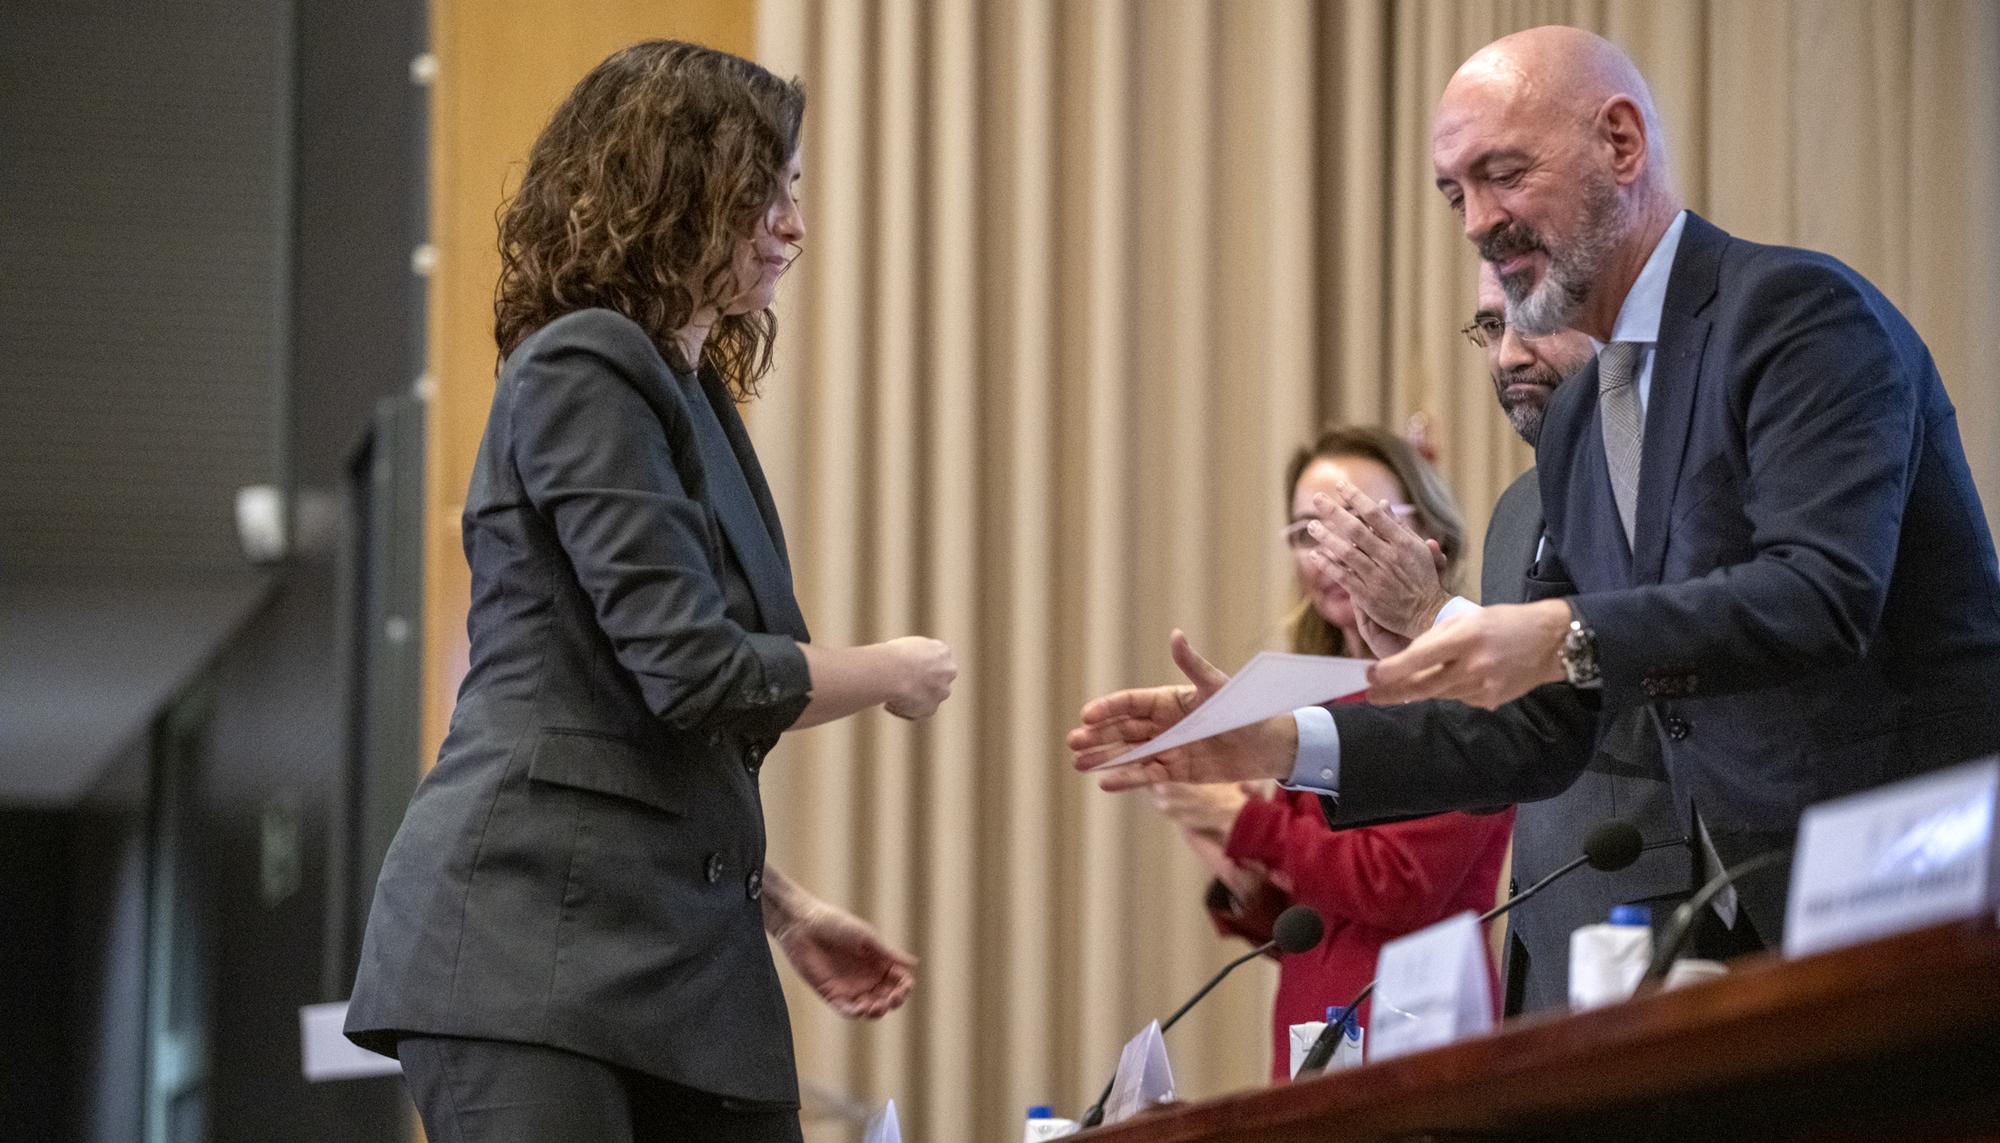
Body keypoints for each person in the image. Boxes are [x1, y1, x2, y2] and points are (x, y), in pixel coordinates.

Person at [1070, 26, 2000, 950]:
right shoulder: (1579, 421)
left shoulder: (1794, 315)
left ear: (1621, 143)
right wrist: (1279, 742)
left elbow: (1822, 595)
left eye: (1504, 174)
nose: (1477, 221)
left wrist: (1556, 631)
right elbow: (1545, 732)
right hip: (1738, 931)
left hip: (1919, 890)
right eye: (1455, 194)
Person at [344, 41, 958, 1142]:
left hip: (678, 953)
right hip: (528, 950)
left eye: (793, 192)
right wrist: (894, 671)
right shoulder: (583, 365)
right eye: (760, 193)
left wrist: (780, 904)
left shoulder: (691, 396)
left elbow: (647, 712)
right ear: (668, 193)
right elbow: (697, 673)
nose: (791, 226)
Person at [1308, 267, 1686, 1014]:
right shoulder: (1518, 510)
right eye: (1490, 326)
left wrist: (1438, 618)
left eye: (1531, 318)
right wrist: (1283, 740)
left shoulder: (1667, 478)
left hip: (1663, 929)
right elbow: (1511, 738)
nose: (1508, 353)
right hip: (1541, 957)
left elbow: (1649, 691)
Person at [1147, 427, 1511, 1079]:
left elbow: (1399, 886)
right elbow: (1316, 926)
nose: (1328, 554)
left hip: (1421, 1047)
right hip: (1313, 1050)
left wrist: (1246, 823)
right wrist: (1243, 872)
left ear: (1428, 533)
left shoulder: (1468, 685)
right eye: (1306, 533)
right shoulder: (1315, 696)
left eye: (1354, 524)